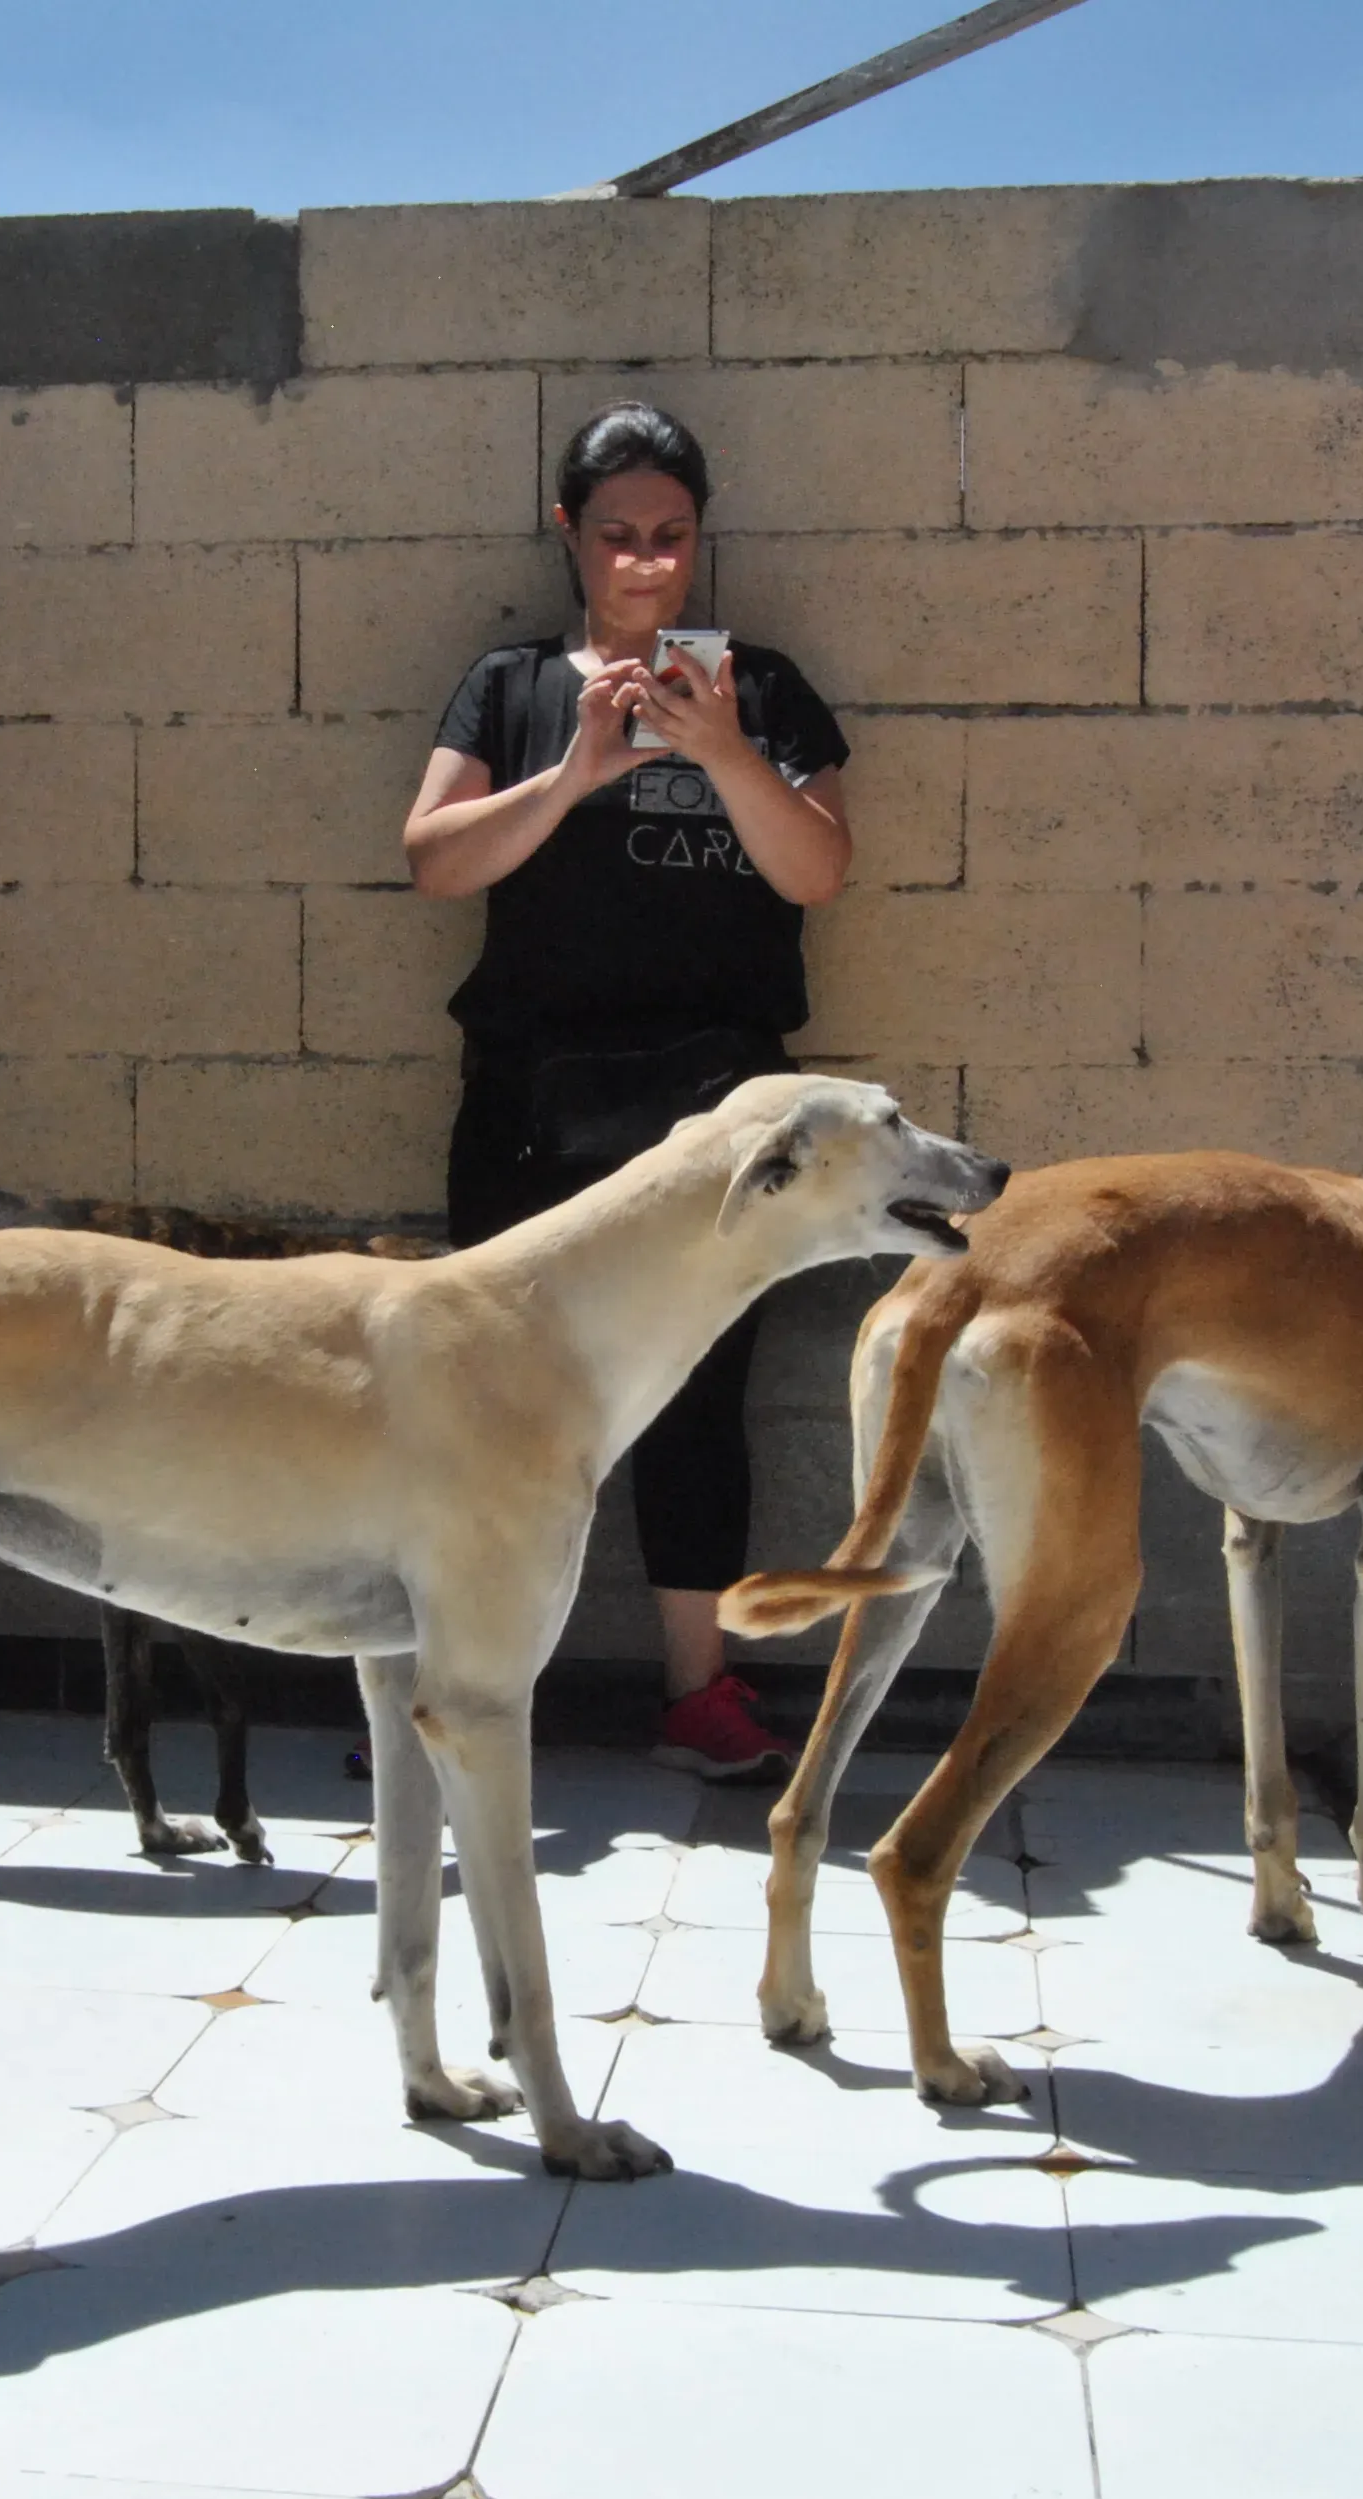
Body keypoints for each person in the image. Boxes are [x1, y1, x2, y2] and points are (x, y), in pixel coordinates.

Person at [403, 402, 854, 1781]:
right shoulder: (512, 686)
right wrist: (576, 771)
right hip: (534, 1096)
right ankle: (463, 1690)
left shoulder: (762, 689)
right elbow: (434, 859)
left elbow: (817, 871)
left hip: (713, 1111)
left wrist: (722, 749)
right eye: (618, 537)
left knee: (700, 1392)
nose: (647, 563)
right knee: (489, 1392)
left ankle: (696, 1693)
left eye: (671, 536)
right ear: (569, 534)